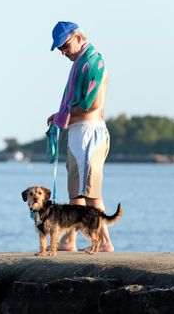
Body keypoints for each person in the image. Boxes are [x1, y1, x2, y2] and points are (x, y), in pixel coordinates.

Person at [46, 21, 114, 252]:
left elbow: (92, 104)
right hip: (79, 133)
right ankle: (70, 240)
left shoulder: (93, 61)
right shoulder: (81, 63)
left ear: (77, 37)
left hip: (88, 132)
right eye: (60, 49)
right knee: (77, 190)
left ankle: (104, 242)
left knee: (89, 192)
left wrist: (61, 115)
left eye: (65, 46)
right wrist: (60, 117)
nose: (63, 52)